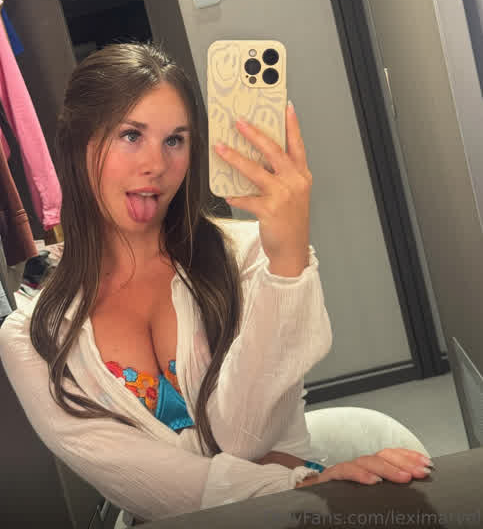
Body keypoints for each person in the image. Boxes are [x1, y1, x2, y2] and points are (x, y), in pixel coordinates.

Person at [0, 43, 433, 525]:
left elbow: (245, 437)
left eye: (175, 140)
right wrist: (296, 483)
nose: (156, 165)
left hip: (294, 510)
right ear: (77, 144)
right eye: (131, 135)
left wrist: (287, 260)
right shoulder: (33, 336)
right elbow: (147, 485)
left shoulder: (249, 256)